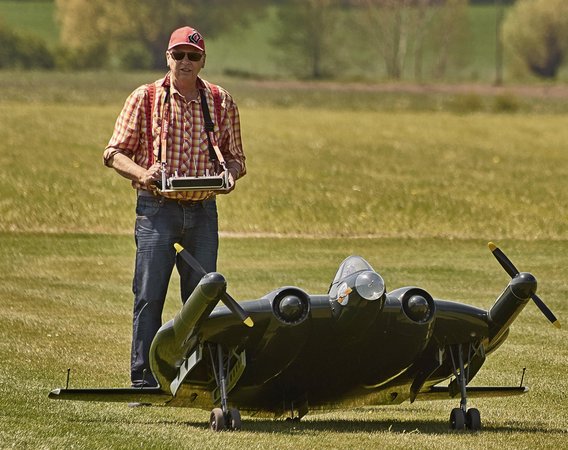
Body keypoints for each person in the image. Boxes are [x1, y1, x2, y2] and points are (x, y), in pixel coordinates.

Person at [103, 26, 246, 388]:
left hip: (203, 211)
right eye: (178, 55)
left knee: (200, 299)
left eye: (192, 56)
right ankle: (144, 380)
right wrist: (144, 173)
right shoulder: (145, 97)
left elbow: (236, 158)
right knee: (149, 296)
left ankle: (195, 378)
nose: (185, 61)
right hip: (156, 209)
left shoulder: (221, 100)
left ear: (202, 61)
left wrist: (229, 176)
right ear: (167, 58)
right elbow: (113, 153)